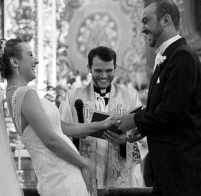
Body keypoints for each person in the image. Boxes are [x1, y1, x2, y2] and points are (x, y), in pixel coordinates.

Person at [0, 37, 119, 196]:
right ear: (14, 62)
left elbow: (64, 128)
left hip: (56, 178)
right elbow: (50, 140)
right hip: (63, 178)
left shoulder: (14, 94)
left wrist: (101, 125)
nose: (36, 60)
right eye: (30, 55)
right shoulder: (25, 94)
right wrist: (85, 164)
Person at [115, 0, 201, 196]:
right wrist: (142, 128)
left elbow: (173, 111)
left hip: (184, 174)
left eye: (146, 21)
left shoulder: (181, 56)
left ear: (166, 20)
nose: (143, 29)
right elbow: (165, 109)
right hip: (170, 172)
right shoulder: (170, 57)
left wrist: (135, 120)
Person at [59, 46, 147, 195]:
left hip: (120, 175)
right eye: (98, 70)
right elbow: (60, 134)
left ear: (115, 68)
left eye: (108, 70)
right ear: (89, 68)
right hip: (83, 173)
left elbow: (143, 140)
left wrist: (126, 140)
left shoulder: (130, 97)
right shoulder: (72, 97)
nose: (104, 76)